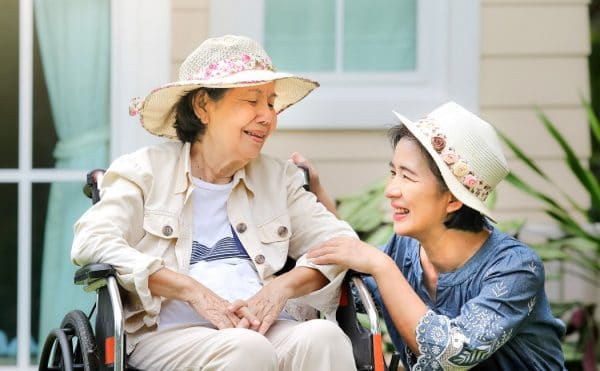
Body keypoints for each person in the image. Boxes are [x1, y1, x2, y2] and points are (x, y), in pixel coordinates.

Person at [71, 35, 358, 371]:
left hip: (262, 328)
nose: (267, 116)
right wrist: (193, 291)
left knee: (324, 337)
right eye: (252, 100)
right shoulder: (143, 171)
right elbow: (92, 241)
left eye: (270, 102)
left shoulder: (278, 179)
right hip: (168, 333)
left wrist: (281, 288)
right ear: (203, 106)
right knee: (246, 349)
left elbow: (341, 245)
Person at [305, 102, 567, 370]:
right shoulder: (404, 249)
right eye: (393, 173)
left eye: (407, 177)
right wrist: (313, 198)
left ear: (452, 199)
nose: (391, 190)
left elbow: (453, 355)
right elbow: (350, 281)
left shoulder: (515, 268)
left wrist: (383, 267)